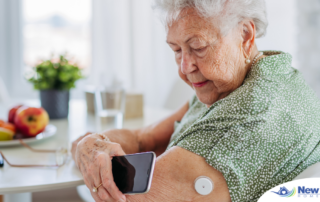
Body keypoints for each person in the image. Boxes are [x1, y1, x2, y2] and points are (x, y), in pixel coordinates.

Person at [71, 0, 320, 201]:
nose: (184, 67)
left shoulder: (248, 115)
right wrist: (92, 145)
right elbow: (143, 139)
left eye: (198, 47)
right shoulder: (242, 81)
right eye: (177, 50)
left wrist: (88, 149)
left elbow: (121, 196)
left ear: (245, 34)